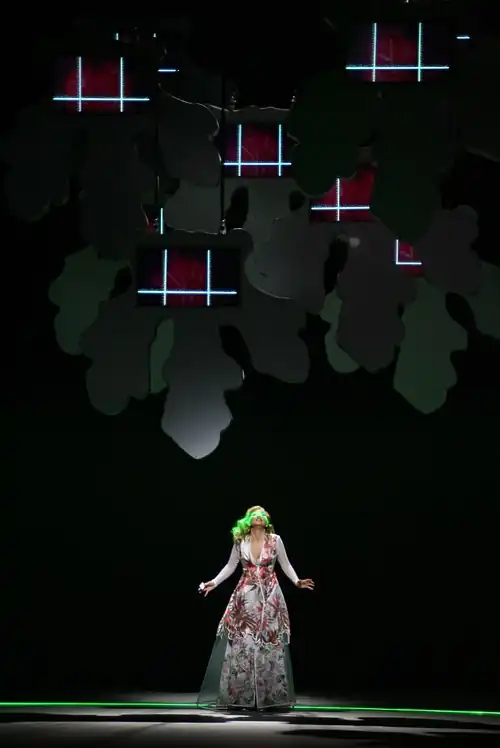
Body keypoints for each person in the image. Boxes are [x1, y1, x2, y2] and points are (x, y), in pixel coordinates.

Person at [197, 505, 314, 711]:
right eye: (254, 514)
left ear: (266, 520)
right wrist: (213, 583)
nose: (259, 516)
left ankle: (269, 697)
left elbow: (285, 564)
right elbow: (230, 566)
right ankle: (240, 697)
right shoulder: (241, 541)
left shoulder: (275, 540)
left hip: (269, 596)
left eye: (262, 514)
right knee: (244, 641)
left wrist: (297, 581)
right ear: (248, 520)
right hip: (246, 596)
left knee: (268, 642)